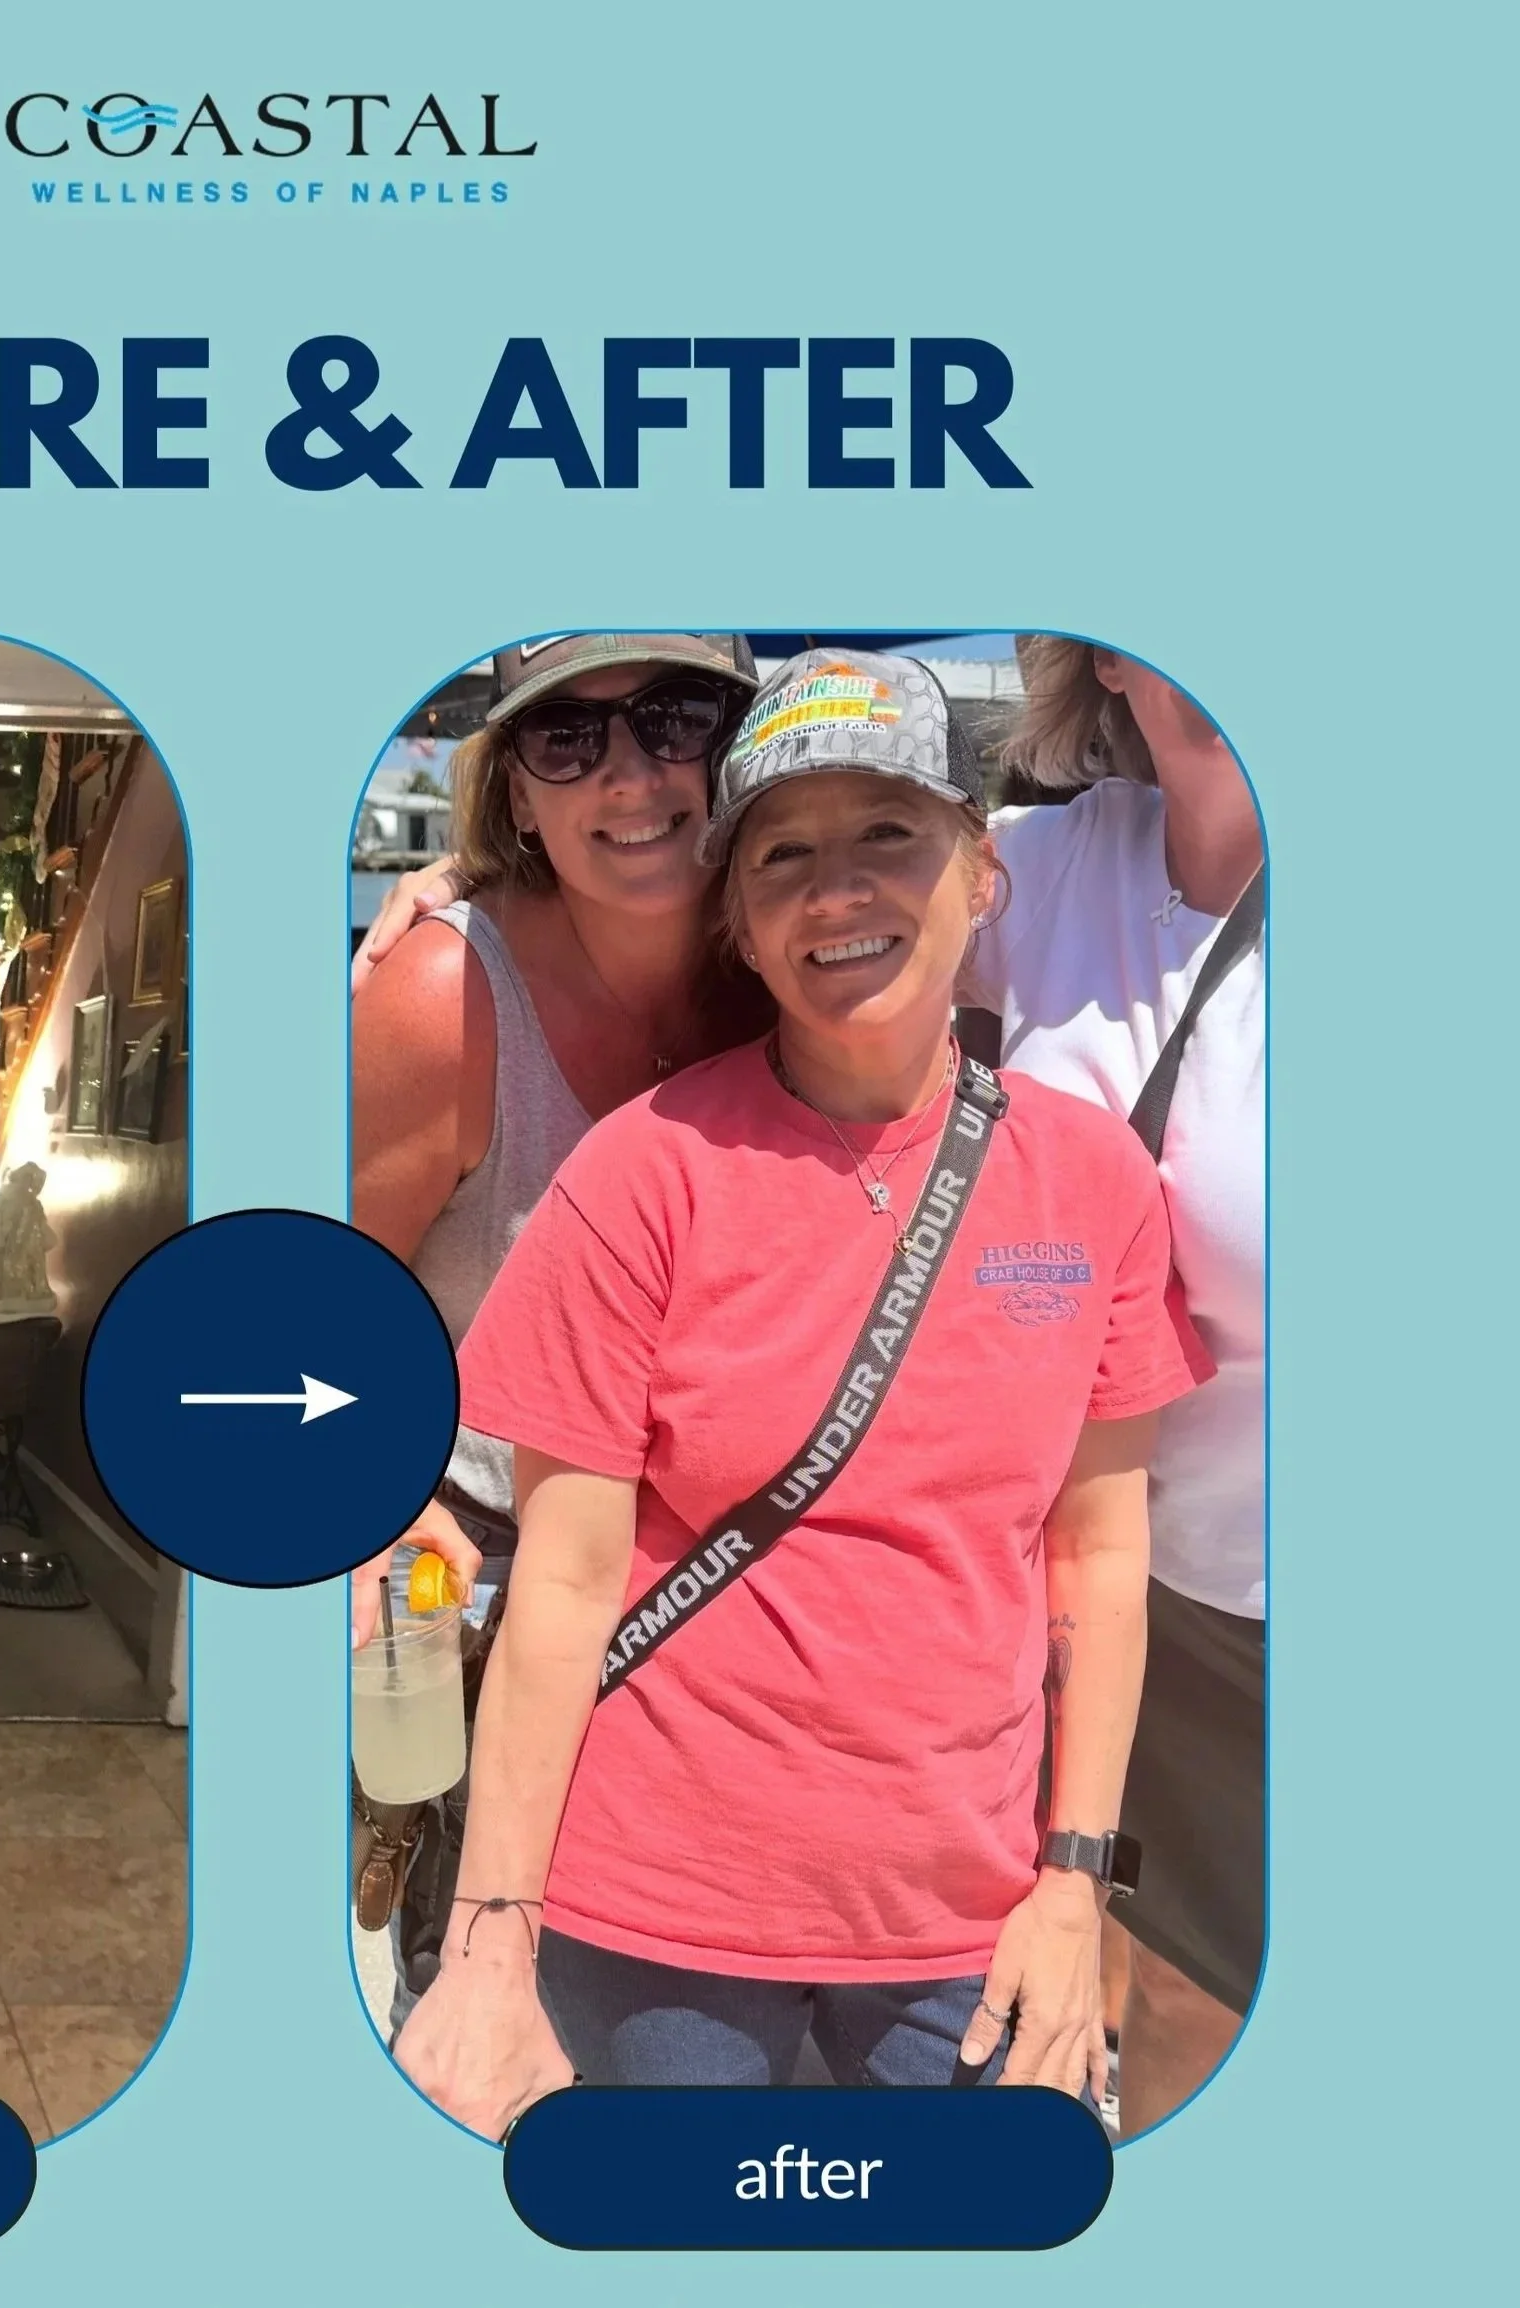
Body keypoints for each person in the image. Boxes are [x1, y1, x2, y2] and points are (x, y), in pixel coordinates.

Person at [395, 652, 1209, 2138]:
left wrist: (1074, 1882)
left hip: (965, 1920)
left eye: (890, 835)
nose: (839, 893)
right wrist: (492, 1944)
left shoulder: (1093, 1185)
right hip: (651, 1915)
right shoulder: (640, 1174)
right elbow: (567, 1587)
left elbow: (1099, 1552)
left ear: (983, 873)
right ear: (744, 931)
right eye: (784, 856)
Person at [348, 635, 765, 2011]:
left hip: (733, 1616)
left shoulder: (811, 963)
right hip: (491, 1602)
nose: (630, 773)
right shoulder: (440, 998)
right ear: (513, 790)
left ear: (741, 742)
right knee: (487, 2022)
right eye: (566, 740)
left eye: (675, 718)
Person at [976, 639, 1265, 2134]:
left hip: (1259, 1603)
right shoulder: (1032, 867)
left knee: (1221, 1991)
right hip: (1061, 1578)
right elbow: (760, 919)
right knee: (1101, 1980)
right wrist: (477, 893)